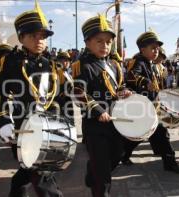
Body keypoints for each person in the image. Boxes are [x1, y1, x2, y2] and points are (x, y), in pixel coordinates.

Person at [0, 3, 63, 197]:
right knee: (41, 172)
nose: (39, 40)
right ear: (21, 37)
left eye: (43, 36)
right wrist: (4, 120)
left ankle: (17, 192)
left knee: (30, 171)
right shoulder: (12, 61)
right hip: (23, 126)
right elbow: (1, 93)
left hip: (46, 125)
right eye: (33, 36)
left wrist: (57, 119)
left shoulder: (50, 63)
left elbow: (56, 96)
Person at [72, 14, 132, 196]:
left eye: (108, 42)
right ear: (87, 42)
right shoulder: (82, 65)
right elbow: (78, 92)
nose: (104, 45)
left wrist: (124, 92)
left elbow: (117, 87)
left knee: (117, 155)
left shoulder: (113, 65)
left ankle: (92, 172)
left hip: (115, 120)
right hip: (95, 124)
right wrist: (97, 110)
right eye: (99, 41)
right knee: (103, 170)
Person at [124, 31, 179, 174]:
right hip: (143, 105)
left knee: (154, 133)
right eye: (153, 48)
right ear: (142, 49)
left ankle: (168, 161)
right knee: (151, 133)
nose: (156, 51)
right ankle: (168, 162)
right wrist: (145, 82)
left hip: (153, 104)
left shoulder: (150, 63)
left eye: (157, 48)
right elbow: (131, 75)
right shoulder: (138, 61)